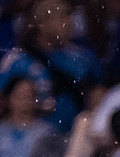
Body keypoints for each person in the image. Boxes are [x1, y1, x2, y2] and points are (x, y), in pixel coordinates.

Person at [0, 1, 104, 135]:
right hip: (31, 140)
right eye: (61, 17)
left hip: (75, 137)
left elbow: (98, 96)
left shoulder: (84, 58)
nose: (69, 22)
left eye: (70, 16)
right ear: (41, 23)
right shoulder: (17, 60)